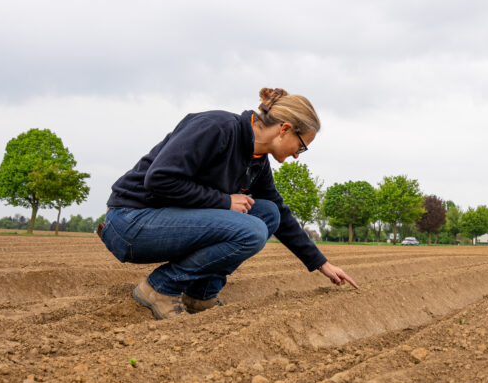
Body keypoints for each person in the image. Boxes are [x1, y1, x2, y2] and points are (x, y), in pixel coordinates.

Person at [100, 87, 358, 320]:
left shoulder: (256, 160)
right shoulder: (217, 127)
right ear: (285, 129)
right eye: (301, 147)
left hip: (164, 221)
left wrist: (321, 263)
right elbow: (158, 178)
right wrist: (224, 201)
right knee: (252, 230)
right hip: (131, 221)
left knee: (267, 214)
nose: (296, 155)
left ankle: (200, 295)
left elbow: (278, 210)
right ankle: (160, 288)